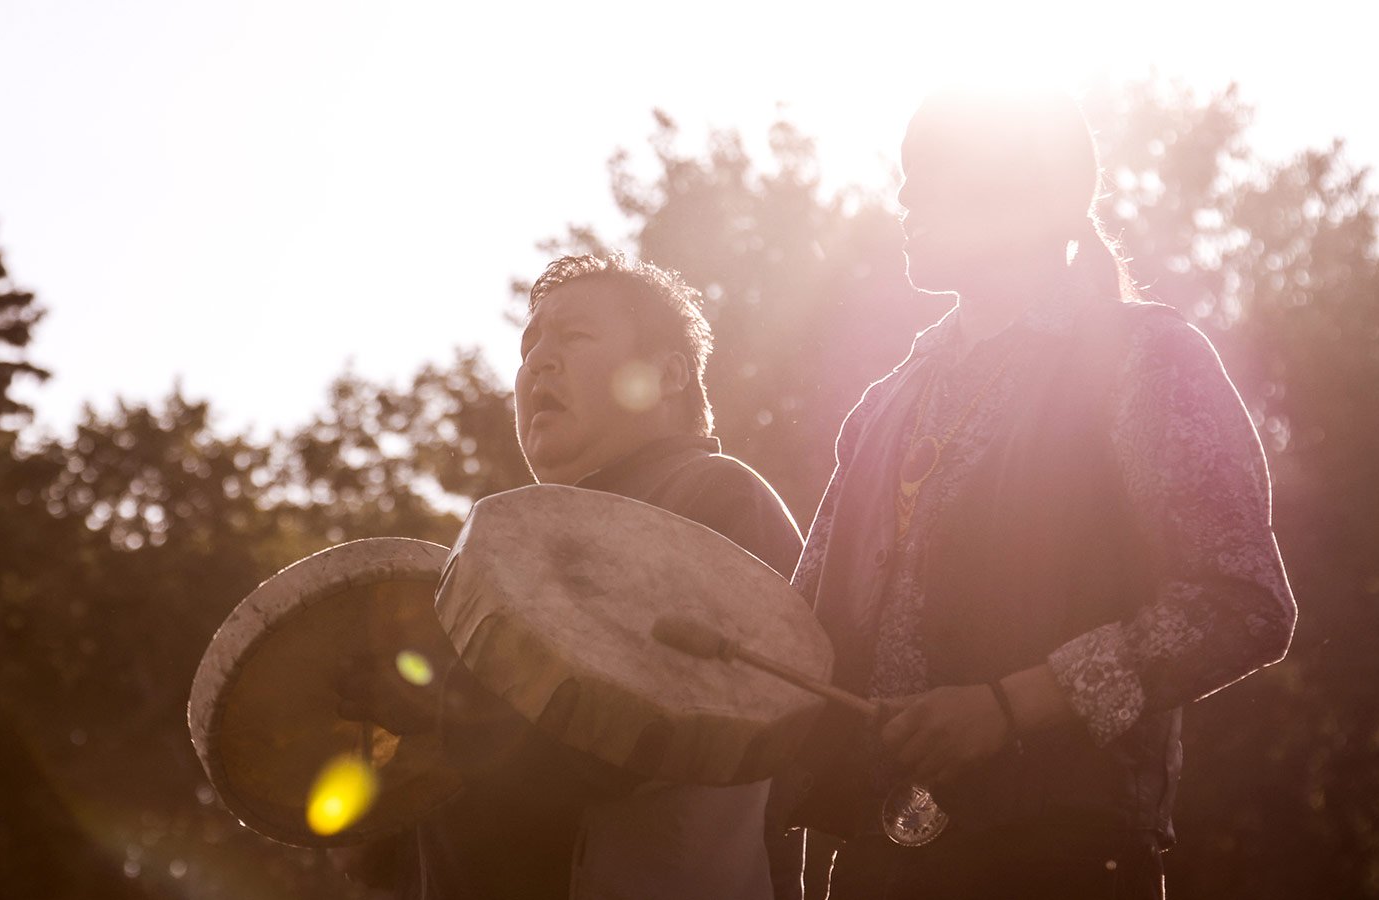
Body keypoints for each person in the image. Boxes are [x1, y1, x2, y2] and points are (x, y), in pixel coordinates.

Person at [784, 87, 1297, 899]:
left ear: (1034, 198)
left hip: (1061, 858)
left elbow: (1241, 601)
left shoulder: (1145, 359)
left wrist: (1009, 706)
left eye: (934, 172)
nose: (906, 196)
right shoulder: (886, 402)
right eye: (906, 173)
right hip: (875, 863)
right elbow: (798, 629)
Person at [410, 253, 804, 900]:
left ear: (667, 373)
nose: (538, 360)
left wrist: (428, 728)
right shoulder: (542, 540)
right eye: (529, 343)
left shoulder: (712, 494)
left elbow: (615, 737)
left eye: (574, 335)